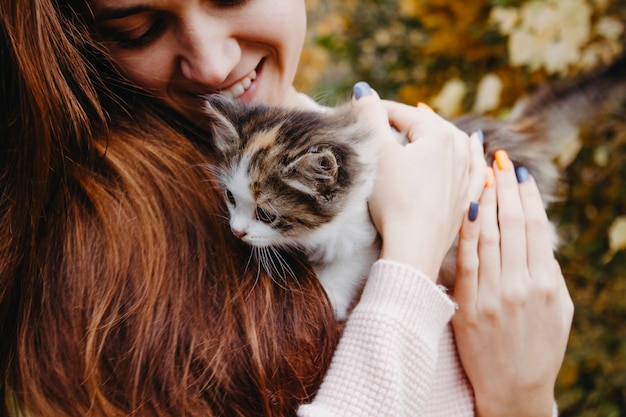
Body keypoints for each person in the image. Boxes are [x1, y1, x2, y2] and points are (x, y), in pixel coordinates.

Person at [0, 0, 574, 416]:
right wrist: (412, 256)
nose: (213, 64)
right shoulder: (101, 229)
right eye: (141, 28)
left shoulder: (368, 156)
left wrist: (526, 397)